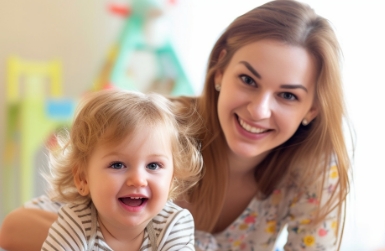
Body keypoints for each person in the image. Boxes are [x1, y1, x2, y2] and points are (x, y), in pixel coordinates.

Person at [0, 0, 351, 250]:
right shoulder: (160, 129)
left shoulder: (317, 175)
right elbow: (15, 229)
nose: (259, 110)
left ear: (312, 110)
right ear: (220, 70)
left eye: (288, 96)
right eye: (247, 79)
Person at [39, 89, 203, 250]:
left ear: (172, 178)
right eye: (117, 165)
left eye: (153, 166)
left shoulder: (173, 224)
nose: (138, 179)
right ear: (83, 178)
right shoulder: (76, 223)